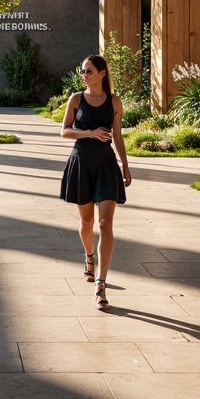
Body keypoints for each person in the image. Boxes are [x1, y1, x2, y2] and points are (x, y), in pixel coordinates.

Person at [59, 54, 132, 311]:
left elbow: (119, 137)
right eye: (83, 71)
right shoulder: (76, 99)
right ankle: (89, 258)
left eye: (89, 71)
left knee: (105, 223)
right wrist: (89, 133)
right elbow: (64, 130)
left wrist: (125, 165)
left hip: (106, 166)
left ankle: (100, 284)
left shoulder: (114, 102)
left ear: (102, 73)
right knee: (87, 222)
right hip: (81, 165)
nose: (84, 75)